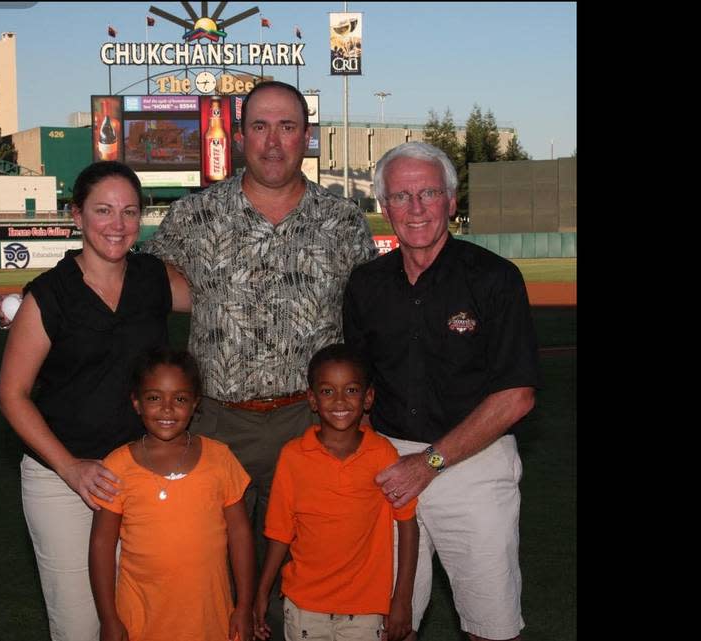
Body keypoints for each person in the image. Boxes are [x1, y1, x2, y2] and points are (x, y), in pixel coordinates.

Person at [142, 82, 377, 632]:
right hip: (220, 422)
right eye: (261, 127)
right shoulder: (195, 215)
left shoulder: (342, 220)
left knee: (307, 570)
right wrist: (39, 299)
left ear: (307, 137)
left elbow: (374, 323)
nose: (274, 142)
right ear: (241, 135)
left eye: (288, 127)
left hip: (312, 423)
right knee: (215, 570)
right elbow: (131, 285)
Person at [342, 142, 541, 641]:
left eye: (429, 193)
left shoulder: (495, 278)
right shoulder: (365, 284)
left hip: (472, 460)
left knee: (490, 626)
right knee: (385, 621)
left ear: (452, 201)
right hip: (388, 463)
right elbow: (356, 390)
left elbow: (517, 395)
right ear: (384, 207)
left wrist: (429, 462)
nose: (415, 208)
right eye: (402, 196)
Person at [0, 161, 191, 641]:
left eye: (129, 211)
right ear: (76, 215)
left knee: (144, 614)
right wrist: (70, 468)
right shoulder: (49, 295)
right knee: (80, 623)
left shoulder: (153, 278)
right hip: (63, 478)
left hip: (141, 471)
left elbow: (225, 300)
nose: (117, 224)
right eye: (103, 210)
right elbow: (11, 394)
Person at [252, 344, 419, 641]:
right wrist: (262, 592)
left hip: (366, 609)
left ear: (368, 398)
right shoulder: (293, 455)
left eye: (351, 390)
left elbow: (407, 524)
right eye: (328, 391)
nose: (339, 400)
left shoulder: (382, 454)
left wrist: (402, 598)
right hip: (304, 605)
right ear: (312, 399)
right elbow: (279, 532)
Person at [89, 347, 255, 641]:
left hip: (209, 618)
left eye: (179, 399)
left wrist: (244, 606)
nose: (167, 409)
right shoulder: (117, 465)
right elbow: (102, 546)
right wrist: (108, 618)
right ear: (137, 403)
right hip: (141, 619)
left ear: (195, 404)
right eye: (154, 398)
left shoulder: (220, 458)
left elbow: (241, 535)